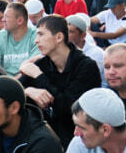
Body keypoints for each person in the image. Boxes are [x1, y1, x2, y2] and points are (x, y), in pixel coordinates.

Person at [17, 14, 101, 145]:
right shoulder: (41, 65)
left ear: (59, 37)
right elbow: (10, 92)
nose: (36, 41)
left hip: (79, 139)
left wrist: (39, 77)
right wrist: (27, 91)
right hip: (43, 137)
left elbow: (68, 109)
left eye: (41, 35)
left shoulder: (86, 67)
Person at [0, 2, 38, 75]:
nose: (3, 20)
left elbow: (34, 67)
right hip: (4, 82)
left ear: (20, 21)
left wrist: (15, 82)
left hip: (30, 81)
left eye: (6, 17)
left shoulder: (37, 36)